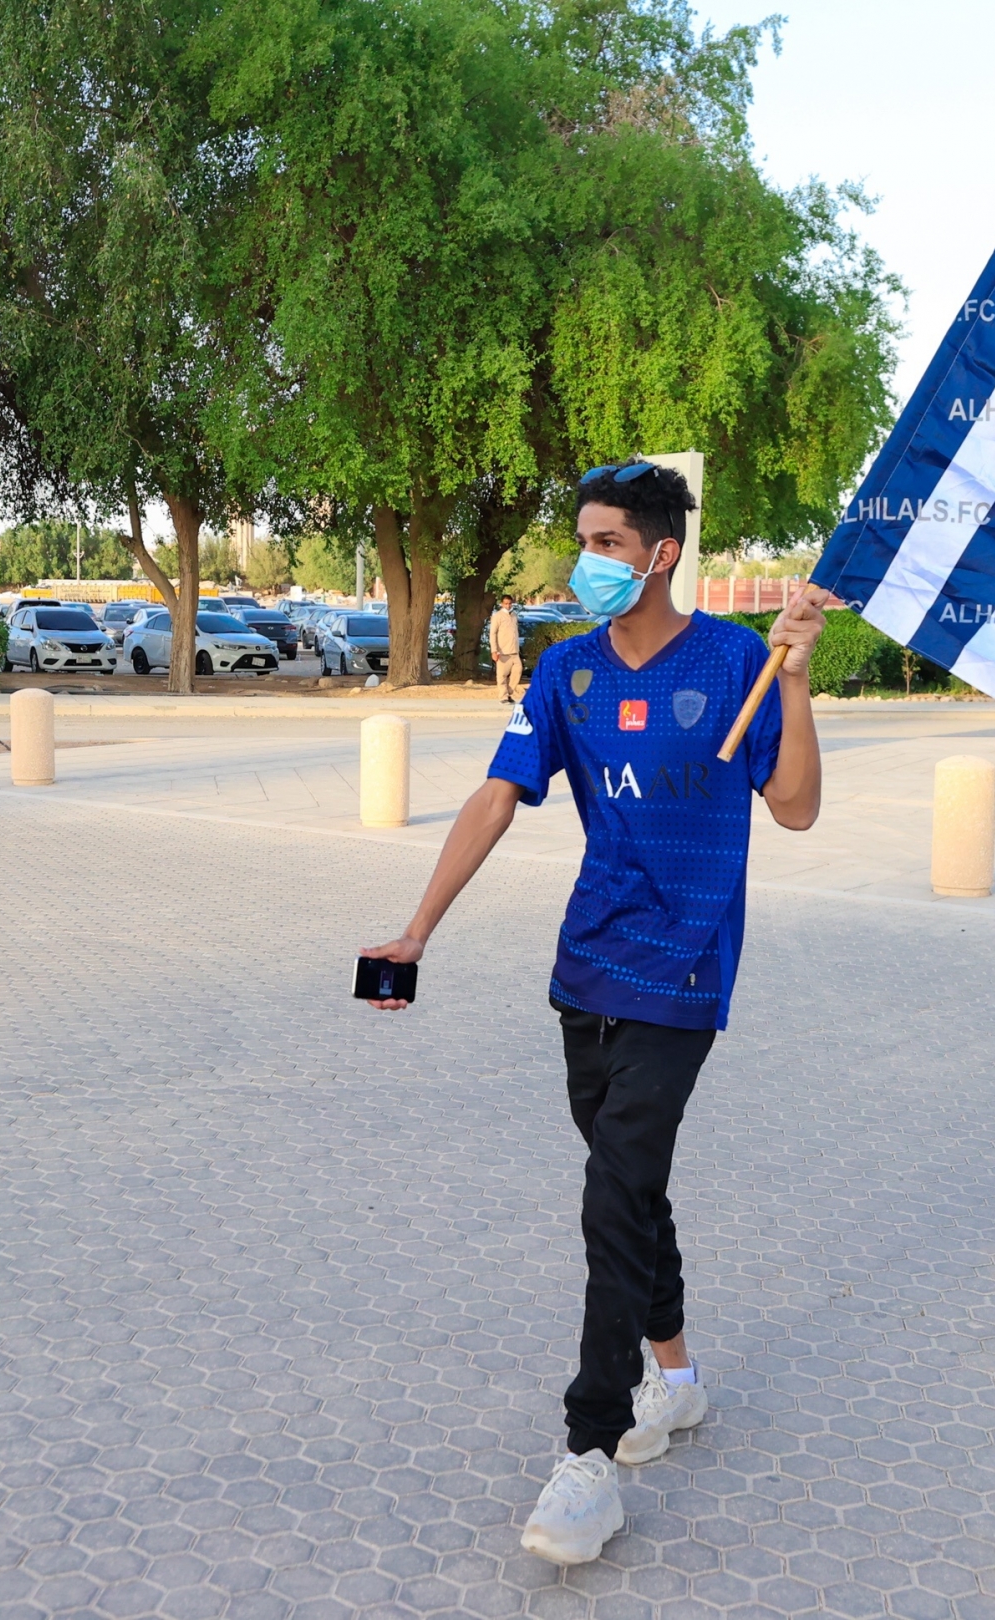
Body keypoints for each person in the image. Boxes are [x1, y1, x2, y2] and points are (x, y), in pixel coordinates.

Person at [361, 458, 830, 1566]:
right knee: (633, 1189)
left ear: (660, 554)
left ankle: (586, 1450)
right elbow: (495, 794)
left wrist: (798, 685)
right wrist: (419, 927)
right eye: (584, 539)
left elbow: (799, 811)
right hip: (587, 972)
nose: (588, 561)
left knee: (611, 1191)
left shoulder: (732, 664)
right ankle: (676, 1377)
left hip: (684, 974)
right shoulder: (565, 676)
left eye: (607, 543)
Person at [490, 594, 524, 702]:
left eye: (509, 603)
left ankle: (509, 692)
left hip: (514, 651)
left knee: (518, 671)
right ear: (502, 604)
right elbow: (492, 634)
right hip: (503, 651)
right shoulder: (498, 616)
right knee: (502, 675)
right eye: (506, 604)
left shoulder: (513, 615)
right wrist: (494, 650)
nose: (508, 606)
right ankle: (503, 696)